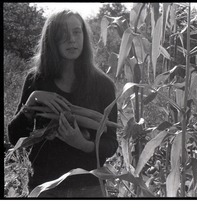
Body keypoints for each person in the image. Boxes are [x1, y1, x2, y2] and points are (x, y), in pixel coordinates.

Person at [7, 9, 118, 197]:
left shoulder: (103, 85)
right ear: (51, 40)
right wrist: (32, 100)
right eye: (63, 34)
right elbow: (15, 137)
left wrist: (82, 143)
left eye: (76, 32)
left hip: (89, 188)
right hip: (45, 188)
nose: (72, 40)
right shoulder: (36, 80)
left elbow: (111, 143)